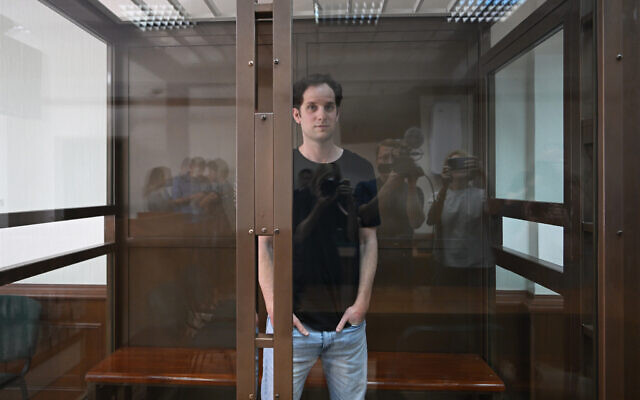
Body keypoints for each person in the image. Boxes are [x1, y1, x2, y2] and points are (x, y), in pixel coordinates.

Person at [259, 74, 379, 400]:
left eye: (328, 107)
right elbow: (264, 245)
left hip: (347, 323)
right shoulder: (279, 169)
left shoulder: (360, 170)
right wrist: (275, 308)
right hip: (291, 323)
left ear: (338, 112)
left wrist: (362, 305)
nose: (321, 115)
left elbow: (368, 241)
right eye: (311, 107)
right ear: (297, 114)